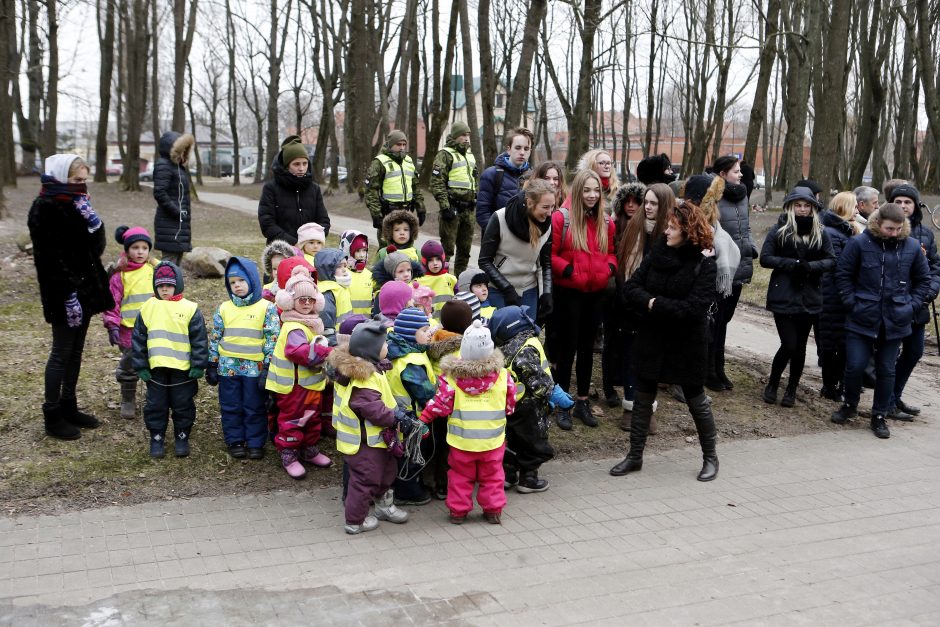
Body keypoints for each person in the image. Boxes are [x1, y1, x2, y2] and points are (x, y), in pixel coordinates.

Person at [610, 201, 719, 481]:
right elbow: (632, 288)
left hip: (687, 342)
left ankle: (710, 457)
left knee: (696, 398)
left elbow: (694, 308)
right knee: (643, 394)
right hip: (652, 337)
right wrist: (652, 302)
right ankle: (634, 456)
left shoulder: (704, 263)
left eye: (672, 227)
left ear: (688, 230)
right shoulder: (658, 252)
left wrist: (654, 305)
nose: (666, 231)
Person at [28, 154, 113, 440]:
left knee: (76, 351)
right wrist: (67, 294)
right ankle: (52, 415)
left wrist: (95, 224)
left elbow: (94, 250)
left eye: (84, 180)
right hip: (63, 293)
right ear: (61, 177)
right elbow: (49, 258)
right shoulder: (44, 207)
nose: (82, 186)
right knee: (60, 353)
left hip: (85, 290)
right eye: (77, 180)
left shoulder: (77, 204)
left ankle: (69, 405)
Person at [831, 203, 931, 438]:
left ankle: (879, 415)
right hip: (862, 315)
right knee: (855, 365)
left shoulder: (912, 247)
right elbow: (843, 275)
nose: (893, 233)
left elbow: (923, 280)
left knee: (886, 370)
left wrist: (912, 306)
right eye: (889, 228)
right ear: (878, 223)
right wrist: (851, 303)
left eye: (898, 229)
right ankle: (850, 404)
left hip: (896, 318)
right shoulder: (859, 244)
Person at [419, 320, 517, 524]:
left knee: (459, 477)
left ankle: (458, 511)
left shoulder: (451, 379)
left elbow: (439, 405)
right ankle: (493, 510)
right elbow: (510, 404)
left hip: (461, 443)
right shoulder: (503, 377)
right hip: (493, 441)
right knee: (492, 477)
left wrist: (423, 419)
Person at [328, 321, 417, 534]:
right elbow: (371, 408)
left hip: (379, 439)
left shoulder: (374, 369)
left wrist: (400, 411)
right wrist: (395, 417)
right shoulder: (364, 379)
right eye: (384, 342)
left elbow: (383, 396)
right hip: (364, 442)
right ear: (372, 349)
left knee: (387, 473)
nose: (387, 345)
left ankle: (384, 507)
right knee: (365, 480)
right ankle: (355, 521)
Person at [549, 169, 616, 430]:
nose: (591, 195)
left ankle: (583, 401)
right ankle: (563, 402)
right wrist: (568, 271)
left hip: (595, 294)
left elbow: (611, 253)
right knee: (567, 349)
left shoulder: (606, 222)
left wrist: (607, 271)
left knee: (588, 350)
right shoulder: (561, 219)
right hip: (568, 293)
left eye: (596, 190)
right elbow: (551, 255)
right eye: (586, 190)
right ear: (578, 191)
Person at [759, 187, 835, 407]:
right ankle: (773, 383)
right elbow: (765, 258)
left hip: (810, 296)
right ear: (791, 207)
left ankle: (792, 388)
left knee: (800, 346)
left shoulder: (821, 232)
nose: (802, 210)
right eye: (798, 205)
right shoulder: (780, 230)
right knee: (789, 344)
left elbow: (831, 260)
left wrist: (810, 267)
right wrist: (792, 264)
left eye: (806, 205)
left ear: (813, 207)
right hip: (783, 294)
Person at [206, 257, 280, 460]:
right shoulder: (224, 308)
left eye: (241, 280)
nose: (237, 285)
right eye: (232, 282)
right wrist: (212, 363)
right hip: (228, 368)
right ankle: (235, 440)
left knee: (254, 405)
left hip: (254, 369)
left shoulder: (267, 308)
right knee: (231, 405)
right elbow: (215, 336)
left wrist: (267, 367)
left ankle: (255, 441)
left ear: (253, 281)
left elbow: (271, 338)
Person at [132, 262, 208, 458]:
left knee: (183, 404)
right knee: (156, 405)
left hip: (182, 370)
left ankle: (182, 436)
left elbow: (199, 339)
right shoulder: (148, 308)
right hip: (156, 370)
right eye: (160, 285)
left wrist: (198, 365)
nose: (164, 289)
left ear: (178, 284)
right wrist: (141, 366)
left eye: (169, 285)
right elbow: (139, 339)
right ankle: (156, 437)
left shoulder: (190, 309)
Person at [614, 183, 671, 429]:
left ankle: (648, 409)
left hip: (657, 306)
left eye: (653, 203)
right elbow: (624, 266)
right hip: (630, 302)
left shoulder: (672, 233)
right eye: (646, 202)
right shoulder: (632, 228)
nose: (647, 207)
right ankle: (630, 405)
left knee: (651, 359)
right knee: (630, 356)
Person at [267, 266, 333, 476]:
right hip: (293, 387)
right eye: (301, 299)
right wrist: (328, 352)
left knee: (312, 417)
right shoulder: (294, 326)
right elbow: (298, 352)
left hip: (309, 384)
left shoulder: (310, 324)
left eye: (310, 299)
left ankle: (309, 448)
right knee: (293, 419)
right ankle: (289, 452)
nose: (306, 303)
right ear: (289, 301)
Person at [488, 305, 559, 493]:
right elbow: (539, 380)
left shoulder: (502, 350)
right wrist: (549, 396)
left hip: (510, 404)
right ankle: (528, 478)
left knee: (513, 438)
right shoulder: (526, 348)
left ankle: (508, 474)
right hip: (530, 405)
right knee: (533, 441)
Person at [886, 184, 940, 419]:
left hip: (917, 304)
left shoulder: (925, 234)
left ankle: (895, 397)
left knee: (914, 352)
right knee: (887, 357)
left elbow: (935, 266)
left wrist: (930, 291)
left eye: (907, 202)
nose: (902, 206)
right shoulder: (883, 229)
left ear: (915, 205)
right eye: (897, 202)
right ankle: (886, 402)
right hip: (890, 306)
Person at [710, 155, 758, 390]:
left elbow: (746, 227)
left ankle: (719, 368)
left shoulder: (742, 196)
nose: (741, 175)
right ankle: (709, 370)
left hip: (739, 264)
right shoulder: (713, 195)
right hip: (721, 267)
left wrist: (751, 246)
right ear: (722, 174)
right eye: (736, 171)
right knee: (714, 321)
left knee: (724, 321)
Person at [478, 179, 554, 319]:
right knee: (500, 337)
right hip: (499, 289)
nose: (550, 213)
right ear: (530, 203)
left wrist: (546, 294)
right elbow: (484, 260)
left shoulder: (548, 226)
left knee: (527, 338)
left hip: (528, 289)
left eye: (552, 207)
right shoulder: (499, 218)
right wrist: (506, 288)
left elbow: (545, 263)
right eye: (545, 207)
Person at [103, 226, 156, 420]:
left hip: (154, 328)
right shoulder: (120, 275)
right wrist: (112, 325)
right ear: (127, 250)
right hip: (129, 330)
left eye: (144, 247)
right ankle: (128, 398)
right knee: (130, 363)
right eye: (135, 247)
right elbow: (112, 303)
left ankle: (154, 397)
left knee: (153, 361)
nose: (140, 251)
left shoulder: (155, 270)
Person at [387, 307, 437, 506]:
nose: (428, 334)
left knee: (403, 453)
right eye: (424, 331)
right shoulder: (410, 361)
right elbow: (423, 392)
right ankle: (408, 491)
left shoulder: (402, 350)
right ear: (410, 333)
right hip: (412, 417)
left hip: (400, 414)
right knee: (412, 454)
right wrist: (438, 397)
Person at [424, 298, 473, 499]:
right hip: (455, 405)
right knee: (449, 446)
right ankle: (445, 485)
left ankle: (431, 481)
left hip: (435, 402)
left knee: (436, 445)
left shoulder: (435, 339)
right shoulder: (463, 348)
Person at [818, 192, 862, 401]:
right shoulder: (831, 233)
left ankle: (840, 383)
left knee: (843, 343)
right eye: (854, 206)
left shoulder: (850, 230)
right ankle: (829, 385)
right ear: (844, 208)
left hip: (845, 295)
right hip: (832, 296)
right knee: (831, 343)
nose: (857, 210)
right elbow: (836, 267)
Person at [257, 135, 331, 245]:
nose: (301, 168)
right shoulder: (271, 189)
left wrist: (310, 242)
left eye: (304, 163)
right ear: (286, 166)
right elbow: (267, 224)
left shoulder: (314, 189)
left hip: (309, 251)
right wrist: (294, 243)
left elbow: (323, 221)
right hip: (281, 250)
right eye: (296, 164)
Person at [431, 122, 478, 276]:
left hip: (468, 210)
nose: (466, 138)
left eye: (468, 135)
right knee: (447, 251)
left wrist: (475, 196)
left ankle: (460, 282)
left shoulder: (470, 155)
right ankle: (442, 280)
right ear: (455, 136)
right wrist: (445, 207)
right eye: (463, 135)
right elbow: (437, 182)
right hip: (452, 208)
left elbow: (474, 178)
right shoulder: (445, 154)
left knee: (465, 251)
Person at [365, 130, 425, 243]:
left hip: (407, 213)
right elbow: (371, 191)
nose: (402, 147)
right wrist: (376, 215)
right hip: (388, 214)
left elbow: (416, 187)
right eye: (398, 144)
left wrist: (421, 208)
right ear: (390, 144)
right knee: (387, 251)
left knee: (406, 251)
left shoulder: (408, 161)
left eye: (404, 144)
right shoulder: (380, 162)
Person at [475, 127, 533, 230]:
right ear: (509, 149)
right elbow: (482, 214)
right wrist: (497, 235)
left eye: (526, 149)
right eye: (518, 147)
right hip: (497, 241)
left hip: (525, 241)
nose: (522, 152)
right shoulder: (491, 174)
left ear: (530, 151)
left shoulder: (534, 177)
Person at [152, 131, 195, 267]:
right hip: (169, 223)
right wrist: (177, 212)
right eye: (182, 150)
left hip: (178, 224)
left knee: (176, 264)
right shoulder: (164, 165)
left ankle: (175, 288)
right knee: (168, 265)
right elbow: (160, 192)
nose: (184, 153)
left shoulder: (177, 168)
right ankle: (164, 287)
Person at [314, 248, 353, 346]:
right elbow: (327, 328)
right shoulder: (326, 293)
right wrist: (335, 346)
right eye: (339, 266)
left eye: (345, 265)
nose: (344, 269)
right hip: (336, 344)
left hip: (345, 340)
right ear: (328, 270)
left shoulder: (341, 287)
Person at [415, 240, 457, 317]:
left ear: (443, 259)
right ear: (424, 262)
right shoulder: (419, 281)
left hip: (449, 322)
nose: (435, 263)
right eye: (430, 260)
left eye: (438, 259)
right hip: (428, 323)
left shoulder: (452, 279)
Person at [339, 230, 373, 315]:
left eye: (364, 250)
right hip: (345, 324)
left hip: (365, 324)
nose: (362, 255)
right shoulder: (342, 273)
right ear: (348, 251)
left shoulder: (370, 275)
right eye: (358, 251)